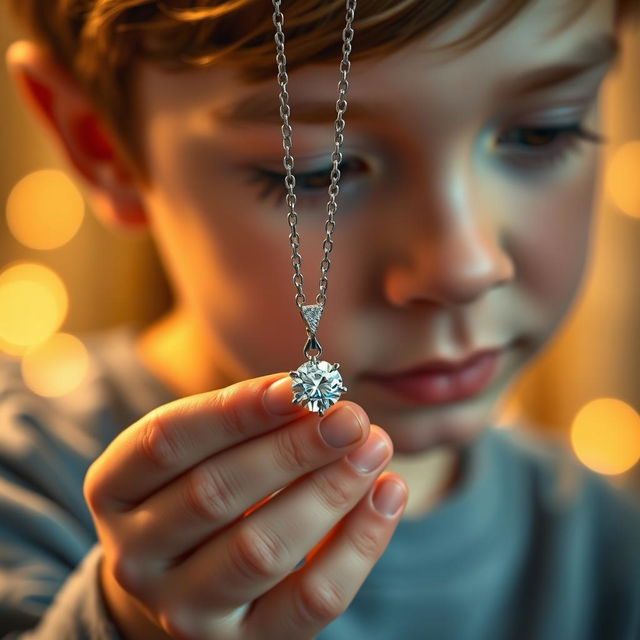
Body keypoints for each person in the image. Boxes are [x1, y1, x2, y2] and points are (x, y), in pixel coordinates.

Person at [2, 0, 639, 638]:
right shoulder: (22, 491)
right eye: (318, 172)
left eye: (543, 132)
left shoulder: (611, 545)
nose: (464, 266)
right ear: (101, 142)